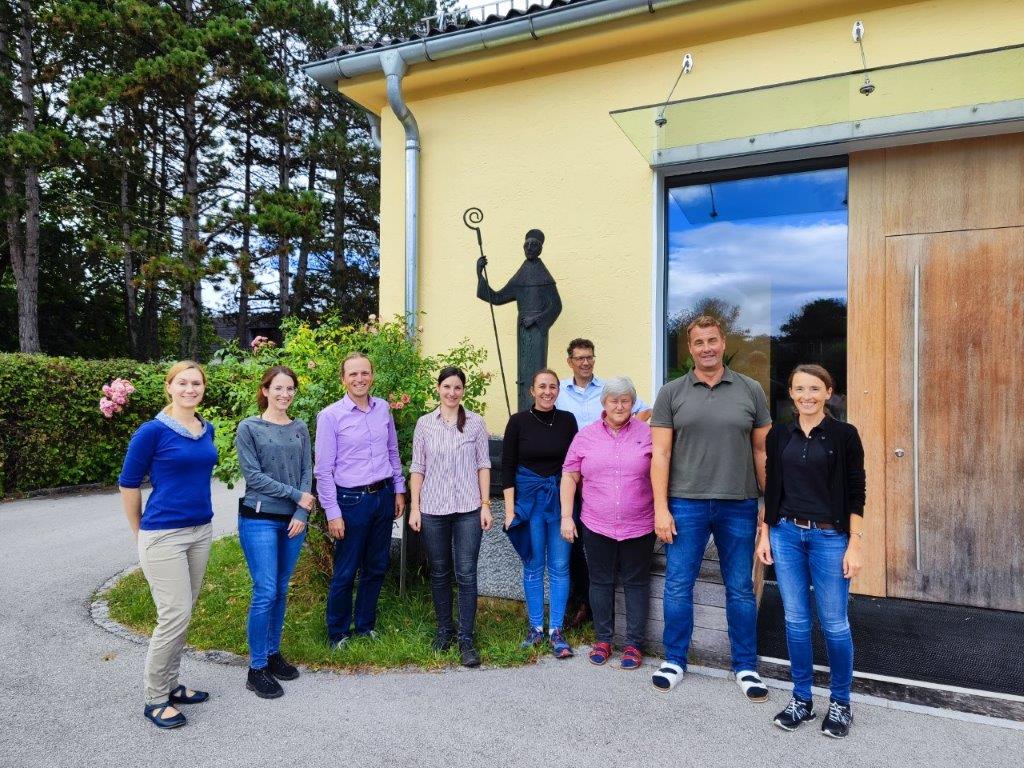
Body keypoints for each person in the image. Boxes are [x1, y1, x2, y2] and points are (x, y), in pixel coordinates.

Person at [649, 315, 772, 700]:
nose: (706, 348)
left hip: (739, 503)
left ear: (723, 342)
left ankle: (746, 667)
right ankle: (674, 659)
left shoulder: (751, 390)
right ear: (690, 349)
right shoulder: (671, 393)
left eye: (712, 340)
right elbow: (661, 455)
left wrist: (768, 507)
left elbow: (762, 451)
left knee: (738, 587)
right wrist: (660, 509)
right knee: (678, 584)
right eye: (699, 342)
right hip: (685, 503)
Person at [756, 364, 865, 738]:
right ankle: (801, 698)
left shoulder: (844, 435)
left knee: (834, 623)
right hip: (786, 534)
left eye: (814, 388)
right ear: (791, 393)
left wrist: (854, 543)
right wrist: (765, 533)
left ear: (829, 392)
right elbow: (771, 486)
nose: (807, 395)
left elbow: (856, 491)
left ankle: (840, 702)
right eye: (799, 388)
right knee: (796, 622)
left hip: (830, 537)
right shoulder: (779, 434)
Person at [118, 361, 218, 729]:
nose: (190, 389)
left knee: (184, 612)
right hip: (163, 535)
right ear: (169, 387)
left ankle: (173, 684)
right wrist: (139, 531)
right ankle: (155, 698)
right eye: (183, 383)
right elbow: (128, 484)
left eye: (196, 383)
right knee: (173, 614)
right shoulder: (152, 432)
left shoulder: (204, 429)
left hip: (200, 531)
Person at [554, 337, 652, 627]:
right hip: (579, 473)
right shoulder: (560, 392)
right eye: (579, 357)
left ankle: (618, 624)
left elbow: (646, 410)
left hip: (615, 475)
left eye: (589, 357)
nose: (585, 362)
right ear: (570, 361)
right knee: (582, 551)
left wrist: (636, 430)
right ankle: (584, 605)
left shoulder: (610, 389)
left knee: (624, 567)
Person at [560, 377, 655, 670]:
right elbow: (570, 475)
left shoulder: (648, 434)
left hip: (639, 524)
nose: (620, 406)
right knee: (600, 581)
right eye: (614, 400)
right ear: (604, 403)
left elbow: (662, 472)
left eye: (625, 400)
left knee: (636, 583)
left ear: (632, 403)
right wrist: (566, 516)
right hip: (596, 524)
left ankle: (634, 645)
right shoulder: (586, 436)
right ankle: (603, 639)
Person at [315, 352, 406, 647]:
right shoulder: (330, 416)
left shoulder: (383, 409)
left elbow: (393, 452)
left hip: (382, 496)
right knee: (346, 569)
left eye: (364, 373)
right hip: (350, 502)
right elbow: (323, 470)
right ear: (343, 379)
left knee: (376, 565)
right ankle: (338, 632)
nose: (359, 379)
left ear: (372, 376)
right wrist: (332, 512)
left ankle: (365, 626)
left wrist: (399, 489)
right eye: (353, 374)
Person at [235, 365, 314, 699]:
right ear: (265, 390)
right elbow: (253, 477)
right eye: (278, 388)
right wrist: (298, 496)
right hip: (260, 519)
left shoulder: (299, 428)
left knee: (281, 589)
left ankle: (271, 653)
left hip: (293, 521)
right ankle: (256, 668)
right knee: (265, 589)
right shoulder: (249, 428)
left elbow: (307, 469)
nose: (285, 394)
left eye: (290, 389)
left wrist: (301, 511)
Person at [408, 367, 493, 668]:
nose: (452, 393)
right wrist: (415, 507)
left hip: (469, 509)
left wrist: (485, 504)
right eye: (447, 387)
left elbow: (483, 465)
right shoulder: (424, 424)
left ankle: (466, 638)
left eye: (457, 387)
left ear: (463, 391)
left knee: (467, 574)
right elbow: (417, 467)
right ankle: (445, 630)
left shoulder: (475, 424)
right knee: (441, 572)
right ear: (438, 389)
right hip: (433, 509)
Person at [502, 368, 578, 658]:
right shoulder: (518, 422)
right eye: (542, 387)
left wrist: (570, 511)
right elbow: (507, 467)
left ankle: (556, 630)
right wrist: (509, 511)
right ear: (531, 391)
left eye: (553, 387)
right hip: (528, 505)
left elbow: (573, 466)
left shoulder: (568, 421)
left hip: (560, 503)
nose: (547, 391)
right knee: (533, 565)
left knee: (559, 566)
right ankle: (535, 628)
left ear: (559, 390)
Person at [476, 229, 562, 411]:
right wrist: (480, 274)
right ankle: (524, 415)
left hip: (537, 330)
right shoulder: (521, 274)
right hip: (523, 329)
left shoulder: (544, 276)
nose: (530, 248)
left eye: (534, 245)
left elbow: (556, 306)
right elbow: (497, 297)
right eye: (527, 244)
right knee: (523, 376)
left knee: (536, 372)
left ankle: (537, 413)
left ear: (540, 249)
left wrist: (536, 319)